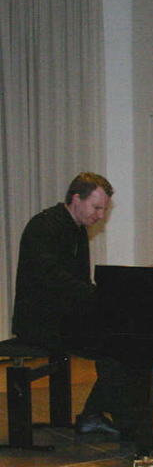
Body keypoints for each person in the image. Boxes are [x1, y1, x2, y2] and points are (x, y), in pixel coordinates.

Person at [11, 172, 130, 438]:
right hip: (39, 322)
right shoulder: (43, 227)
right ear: (76, 199)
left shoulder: (77, 231)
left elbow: (79, 284)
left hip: (62, 318)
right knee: (116, 346)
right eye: (96, 207)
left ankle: (99, 415)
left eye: (104, 209)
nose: (101, 215)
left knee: (123, 341)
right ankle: (108, 418)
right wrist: (99, 300)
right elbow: (53, 281)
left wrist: (103, 299)